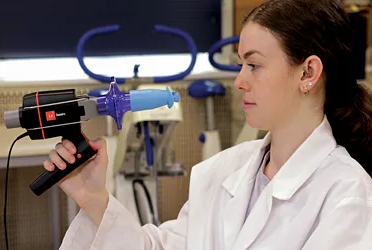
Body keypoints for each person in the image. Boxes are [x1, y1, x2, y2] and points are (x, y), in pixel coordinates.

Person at [45, 0, 372, 249]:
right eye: (241, 64)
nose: (240, 81)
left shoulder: (346, 194)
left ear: (307, 73)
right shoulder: (226, 171)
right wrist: (94, 197)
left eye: (254, 65)